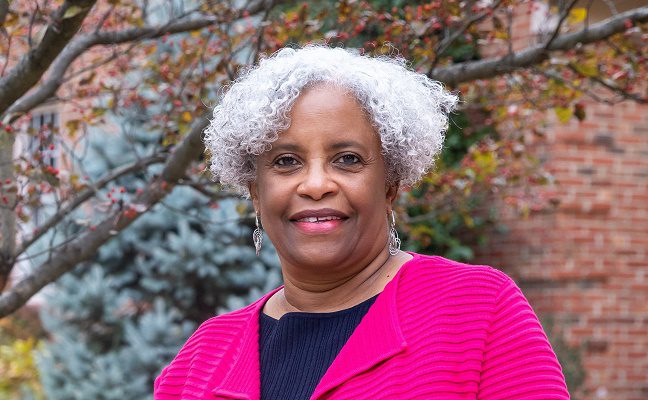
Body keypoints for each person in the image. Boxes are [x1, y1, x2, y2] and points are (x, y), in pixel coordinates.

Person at [154, 45, 569, 400]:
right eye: (286, 161)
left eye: (347, 159)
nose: (316, 184)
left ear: (390, 184)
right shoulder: (199, 360)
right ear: (255, 193)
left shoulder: (477, 310)